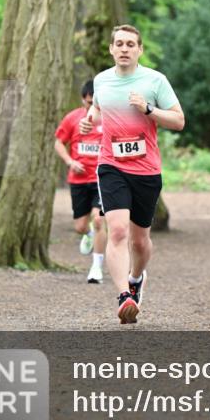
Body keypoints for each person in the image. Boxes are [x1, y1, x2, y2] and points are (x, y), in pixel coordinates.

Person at [80, 25, 185, 324]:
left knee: (140, 242)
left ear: (139, 50)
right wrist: (90, 121)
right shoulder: (101, 80)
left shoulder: (155, 80)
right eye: (119, 44)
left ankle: (137, 277)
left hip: (147, 169)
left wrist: (149, 109)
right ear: (112, 49)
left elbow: (179, 121)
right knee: (117, 231)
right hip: (111, 165)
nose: (124, 49)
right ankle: (124, 295)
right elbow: (98, 111)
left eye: (130, 44)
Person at [54, 80, 106, 283]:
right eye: (89, 103)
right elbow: (58, 142)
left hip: (103, 179)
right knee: (80, 226)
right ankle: (89, 233)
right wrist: (70, 161)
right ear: (83, 100)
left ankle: (96, 268)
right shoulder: (73, 118)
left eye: (97, 103)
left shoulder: (109, 119)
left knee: (99, 219)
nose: (92, 107)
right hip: (78, 179)